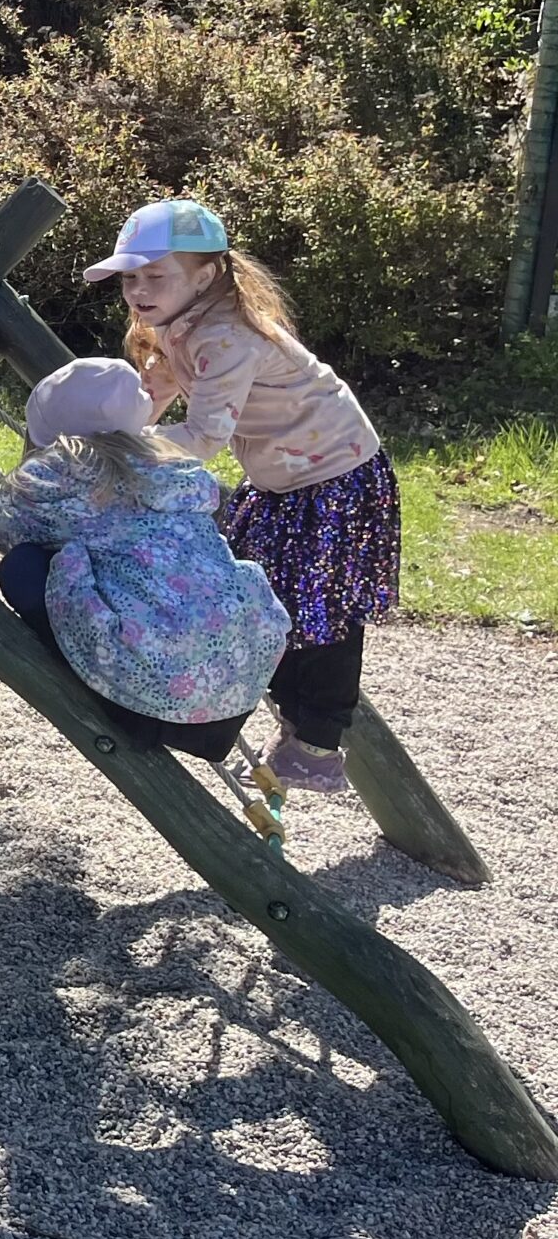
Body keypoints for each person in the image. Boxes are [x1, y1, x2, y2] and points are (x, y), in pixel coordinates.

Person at [85, 198, 397, 793]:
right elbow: (158, 395)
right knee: (257, 598)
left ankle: (318, 746)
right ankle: (292, 724)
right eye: (130, 278)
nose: (139, 290)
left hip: (336, 478)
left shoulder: (226, 337)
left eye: (155, 276)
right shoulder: (178, 323)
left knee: (322, 608)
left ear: (205, 277)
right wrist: (122, 427)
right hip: (283, 481)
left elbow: (204, 438)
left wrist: (117, 451)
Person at [0, 358, 291, 762]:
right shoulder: (174, 471)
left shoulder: (59, 477)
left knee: (23, 566)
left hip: (143, 692)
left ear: (48, 431)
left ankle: (88, 672)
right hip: (236, 690)